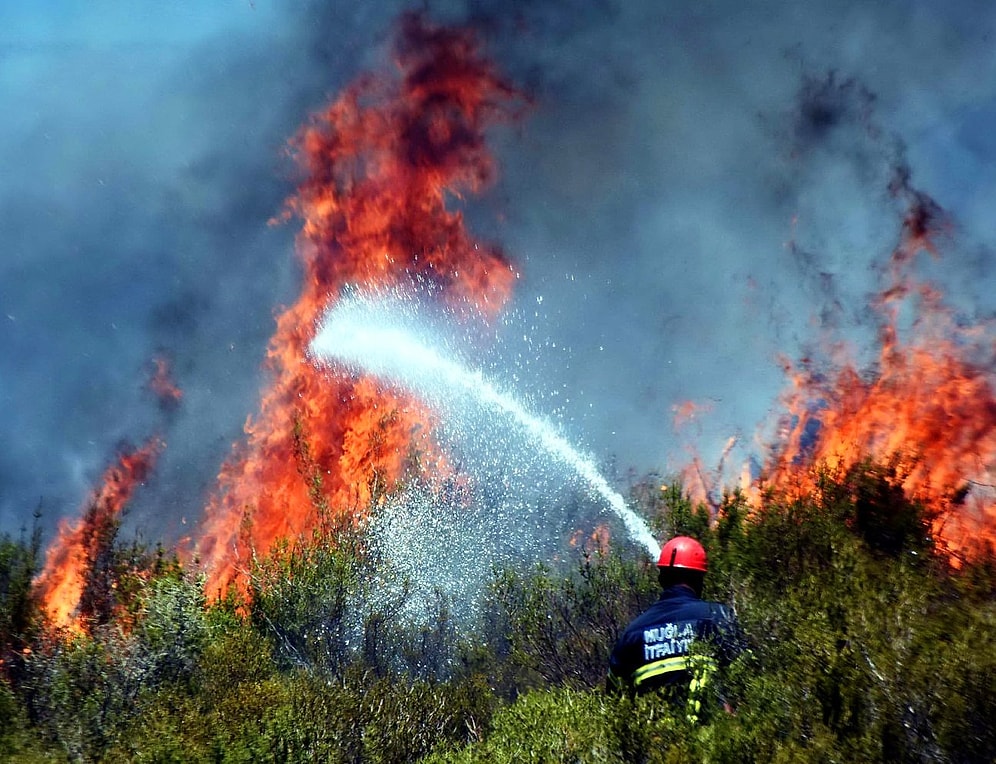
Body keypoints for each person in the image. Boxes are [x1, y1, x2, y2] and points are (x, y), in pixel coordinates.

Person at [607, 536, 741, 714]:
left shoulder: (633, 633)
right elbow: (746, 674)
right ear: (700, 579)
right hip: (714, 735)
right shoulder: (717, 616)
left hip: (653, 739)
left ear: (661, 578)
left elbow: (613, 698)